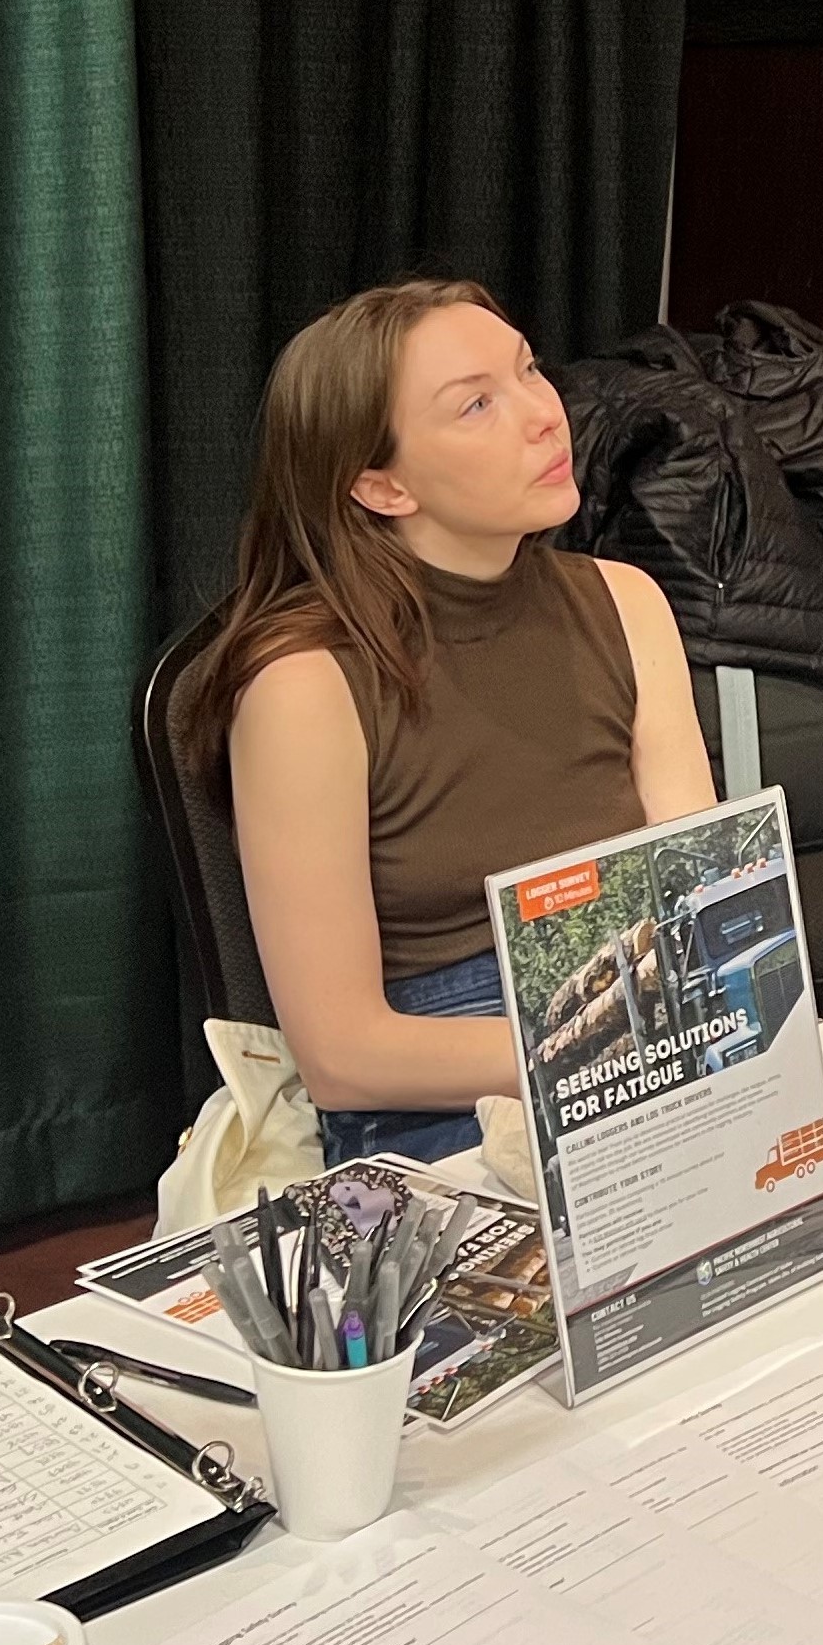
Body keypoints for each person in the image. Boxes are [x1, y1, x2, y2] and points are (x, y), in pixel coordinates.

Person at [182, 280, 716, 1167]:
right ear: (380, 484)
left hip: (638, 1035)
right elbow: (343, 1057)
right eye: (476, 405)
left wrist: (684, 1045)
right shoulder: (303, 685)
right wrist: (599, 1057)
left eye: (527, 371)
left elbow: (695, 889)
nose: (545, 416)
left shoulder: (626, 602)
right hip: (442, 1099)